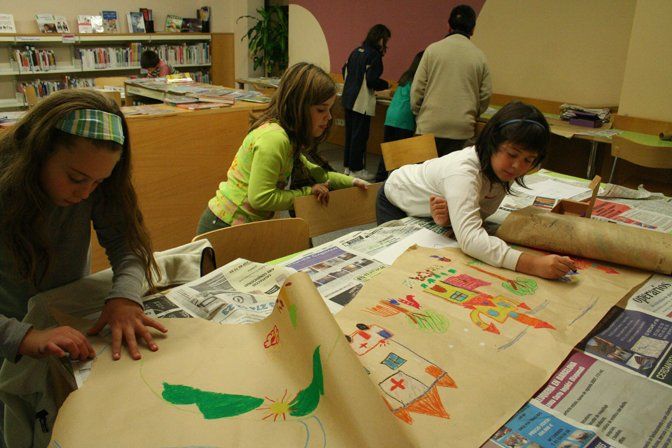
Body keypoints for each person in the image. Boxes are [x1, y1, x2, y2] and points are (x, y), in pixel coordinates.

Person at [0, 89, 167, 364]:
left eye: (99, 182)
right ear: (39, 153)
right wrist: (22, 336)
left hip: (61, 320)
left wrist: (125, 297)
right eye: (76, 179)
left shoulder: (90, 179)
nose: (86, 193)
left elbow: (127, 244)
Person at [376, 101, 576, 279]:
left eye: (528, 160)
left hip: (427, 209)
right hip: (396, 199)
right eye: (512, 154)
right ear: (493, 141)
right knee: (398, 270)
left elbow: (479, 215)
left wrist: (451, 219)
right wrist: (533, 264)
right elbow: (470, 239)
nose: (517, 166)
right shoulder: (463, 171)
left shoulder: (502, 170)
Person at [197, 62, 368, 234]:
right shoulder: (275, 139)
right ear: (297, 106)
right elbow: (261, 199)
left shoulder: (287, 138)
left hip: (240, 225)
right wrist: (307, 192)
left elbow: (319, 174)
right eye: (321, 110)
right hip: (223, 224)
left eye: (329, 109)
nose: (329, 117)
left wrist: (353, 182)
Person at [411, 5, 492, 156]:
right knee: (451, 170)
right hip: (462, 129)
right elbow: (485, 95)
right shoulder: (480, 57)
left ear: (448, 25)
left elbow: (417, 89)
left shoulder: (432, 50)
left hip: (430, 124)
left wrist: (419, 113)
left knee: (424, 170)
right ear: (473, 29)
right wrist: (472, 113)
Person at [341, 24, 391, 181]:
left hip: (347, 99)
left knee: (350, 135)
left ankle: (348, 167)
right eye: (386, 40)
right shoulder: (374, 55)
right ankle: (357, 169)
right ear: (381, 39)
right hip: (361, 102)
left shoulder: (356, 51)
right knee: (360, 136)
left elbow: (344, 70)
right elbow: (371, 80)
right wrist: (386, 85)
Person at [374, 50, 424, 182]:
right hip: (404, 119)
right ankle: (396, 182)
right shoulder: (418, 80)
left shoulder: (406, 77)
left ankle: (379, 179)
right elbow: (417, 101)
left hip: (391, 116)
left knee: (387, 152)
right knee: (402, 155)